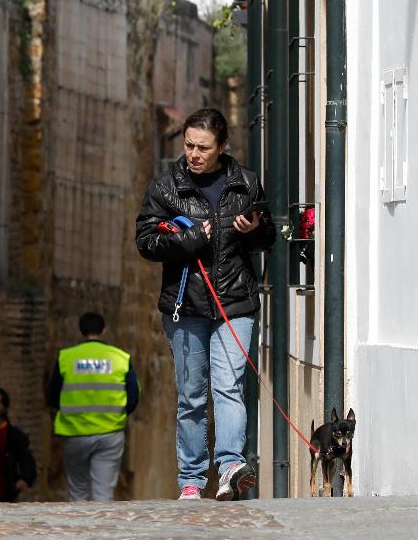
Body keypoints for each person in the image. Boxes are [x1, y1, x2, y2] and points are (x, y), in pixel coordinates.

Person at [134, 107, 276, 501]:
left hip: (234, 303)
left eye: (203, 148)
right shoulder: (166, 188)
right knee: (192, 396)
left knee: (229, 386)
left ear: (222, 146)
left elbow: (266, 240)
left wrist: (255, 230)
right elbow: (146, 242)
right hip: (186, 306)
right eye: (189, 146)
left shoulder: (245, 183)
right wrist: (191, 238)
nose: (194, 154)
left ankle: (230, 465)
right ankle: (192, 481)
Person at [47, 312, 140, 501]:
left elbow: (52, 395)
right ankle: (102, 528)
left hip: (75, 432)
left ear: (81, 332)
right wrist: (119, 415)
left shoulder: (66, 357)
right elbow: (133, 396)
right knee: (104, 492)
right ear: (103, 331)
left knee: (78, 490)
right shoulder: (120, 358)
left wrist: (67, 411)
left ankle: (79, 528)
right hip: (110, 432)